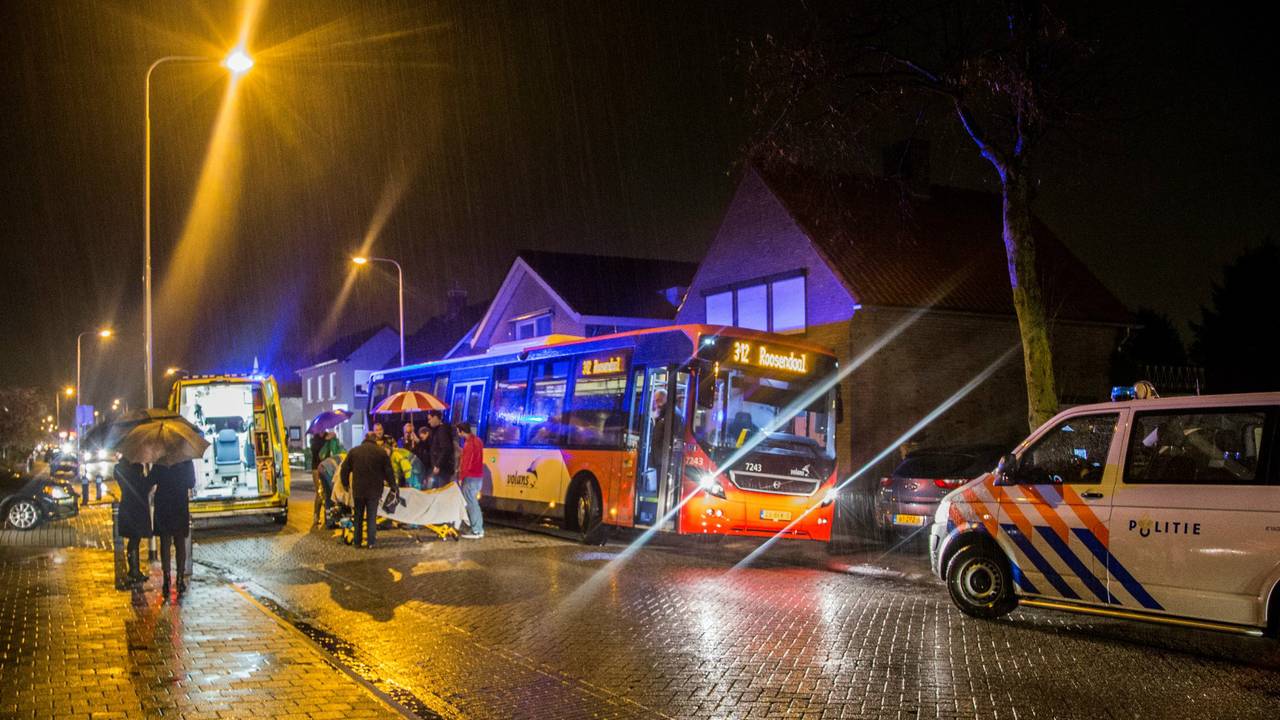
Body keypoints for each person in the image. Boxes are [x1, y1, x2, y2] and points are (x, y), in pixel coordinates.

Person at [339, 432, 396, 549]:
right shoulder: (381, 453)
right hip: (374, 490)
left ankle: (357, 542)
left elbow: (344, 468)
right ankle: (371, 542)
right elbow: (389, 471)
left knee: (358, 516)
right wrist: (393, 486)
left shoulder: (354, 451)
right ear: (375, 439)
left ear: (364, 439)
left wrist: (345, 483)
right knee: (371, 516)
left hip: (358, 489)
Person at [151, 459, 197, 599]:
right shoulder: (186, 461)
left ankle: (166, 580)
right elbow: (191, 483)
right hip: (179, 504)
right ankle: (180, 579)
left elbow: (151, 480)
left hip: (163, 505)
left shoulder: (160, 461)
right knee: (180, 543)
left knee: (165, 543)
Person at [114, 461, 155, 586]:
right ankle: (134, 571)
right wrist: (148, 476)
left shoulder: (119, 469)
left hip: (127, 506)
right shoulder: (136, 470)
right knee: (135, 539)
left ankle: (134, 569)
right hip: (137, 508)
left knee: (134, 539)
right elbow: (144, 487)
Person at [456, 422, 485, 539]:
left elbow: (466, 464)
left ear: (461, 431)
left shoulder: (469, 444)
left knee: (471, 503)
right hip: (478, 476)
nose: (457, 433)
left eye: (458, 431)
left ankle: (477, 530)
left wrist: (461, 478)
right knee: (473, 502)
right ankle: (476, 527)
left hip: (470, 477)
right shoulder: (478, 441)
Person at [424, 411, 456, 490]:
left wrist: (438, 465)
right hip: (440, 468)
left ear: (435, 417)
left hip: (442, 469)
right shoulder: (437, 430)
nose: (429, 422)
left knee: (441, 491)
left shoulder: (442, 430)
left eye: (430, 419)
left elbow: (446, 449)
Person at [315, 451, 345, 528]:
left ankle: (328, 521)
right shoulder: (348, 459)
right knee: (335, 495)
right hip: (327, 470)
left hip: (321, 467)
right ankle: (335, 521)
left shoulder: (344, 456)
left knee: (328, 496)